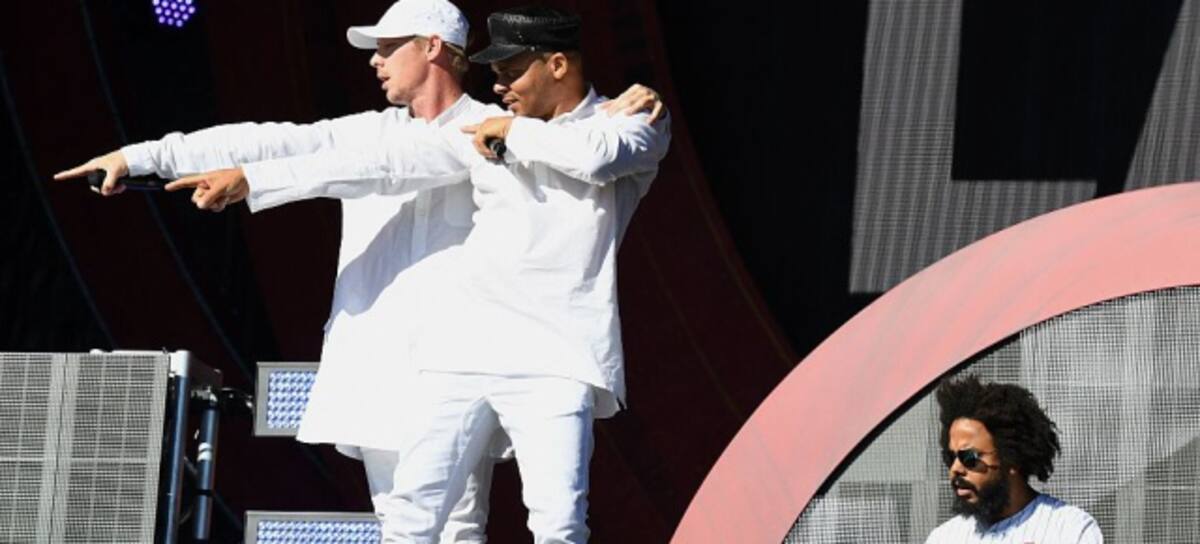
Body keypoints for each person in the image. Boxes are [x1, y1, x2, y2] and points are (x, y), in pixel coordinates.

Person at [53, 1, 663, 541]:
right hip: (396, 364)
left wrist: (567, 120)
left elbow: (597, 151)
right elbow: (284, 146)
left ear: (433, 48)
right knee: (405, 523)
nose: (375, 59)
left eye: (388, 46)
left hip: (490, 354)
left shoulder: (507, 128)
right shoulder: (419, 134)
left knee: (475, 527)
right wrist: (146, 157)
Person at [927, 376, 1103, 543]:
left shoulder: (1069, 530)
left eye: (969, 457)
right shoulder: (944, 538)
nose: (955, 469)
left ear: (1011, 457)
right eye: (950, 457)